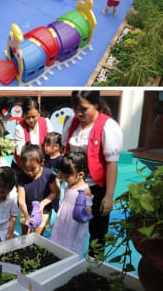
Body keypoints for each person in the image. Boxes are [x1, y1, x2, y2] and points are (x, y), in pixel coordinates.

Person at [61, 90, 122, 256]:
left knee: (97, 232)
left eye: (83, 109)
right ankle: (69, 261)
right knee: (70, 226)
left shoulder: (107, 126)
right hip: (73, 186)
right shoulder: (72, 123)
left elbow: (111, 164)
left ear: (96, 105)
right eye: (75, 108)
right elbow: (65, 152)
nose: (78, 113)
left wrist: (108, 197)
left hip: (96, 187)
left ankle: (95, 266)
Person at [50, 152, 94, 255]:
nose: (64, 178)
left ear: (80, 174)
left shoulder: (85, 190)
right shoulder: (69, 184)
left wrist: (85, 211)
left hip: (74, 223)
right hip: (63, 219)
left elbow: (88, 210)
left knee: (71, 246)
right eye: (63, 174)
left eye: (67, 176)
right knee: (59, 241)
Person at [16, 143, 60, 235]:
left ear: (42, 163)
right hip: (26, 210)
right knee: (24, 235)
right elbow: (21, 200)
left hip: (43, 211)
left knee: (37, 236)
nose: (29, 172)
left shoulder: (48, 174)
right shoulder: (21, 175)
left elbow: (55, 192)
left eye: (33, 169)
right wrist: (27, 216)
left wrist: (42, 204)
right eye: (26, 168)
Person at [13, 98, 54, 170]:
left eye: (33, 117)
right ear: (23, 115)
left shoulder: (46, 122)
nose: (31, 120)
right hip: (23, 166)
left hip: (42, 165)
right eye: (27, 117)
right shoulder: (20, 127)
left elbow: (52, 142)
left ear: (39, 113)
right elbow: (20, 151)